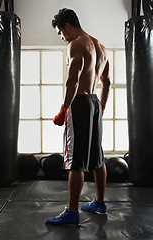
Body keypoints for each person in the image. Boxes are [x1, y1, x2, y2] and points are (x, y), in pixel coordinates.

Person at [45, 8, 110, 226]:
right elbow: (107, 83)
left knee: (75, 160)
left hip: (80, 103)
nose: (62, 38)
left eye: (60, 33)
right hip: (94, 102)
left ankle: (72, 212)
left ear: (67, 25)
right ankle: (99, 202)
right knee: (97, 157)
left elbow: (72, 81)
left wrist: (64, 109)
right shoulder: (101, 47)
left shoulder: (77, 44)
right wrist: (100, 108)